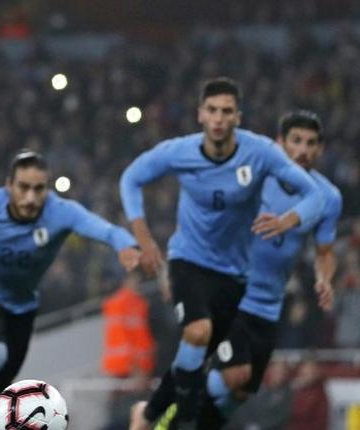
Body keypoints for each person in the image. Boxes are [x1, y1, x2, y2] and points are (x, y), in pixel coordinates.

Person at [121, 78, 323, 429]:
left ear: (237, 117)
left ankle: (149, 414)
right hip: (188, 261)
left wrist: (287, 220)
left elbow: (314, 196)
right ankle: (182, 423)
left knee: (203, 359)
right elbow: (131, 178)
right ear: (200, 115)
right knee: (198, 333)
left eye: (226, 111)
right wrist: (144, 239)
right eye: (212, 110)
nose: (218, 118)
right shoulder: (179, 151)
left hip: (233, 273)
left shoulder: (259, 152)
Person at [0, 151, 141, 429]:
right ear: (9, 185)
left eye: (39, 189)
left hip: (21, 306)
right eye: (23, 187)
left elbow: (106, 229)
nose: (31, 197)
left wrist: (125, 244)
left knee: (0, 388)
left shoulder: (60, 212)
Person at [193, 110, 340, 427]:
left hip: (269, 304)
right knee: (236, 373)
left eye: (310, 143)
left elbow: (325, 252)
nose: (303, 149)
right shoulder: (253, 177)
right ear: (280, 143)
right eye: (296, 141)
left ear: (320, 149)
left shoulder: (328, 197)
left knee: (242, 391)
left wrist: (324, 278)